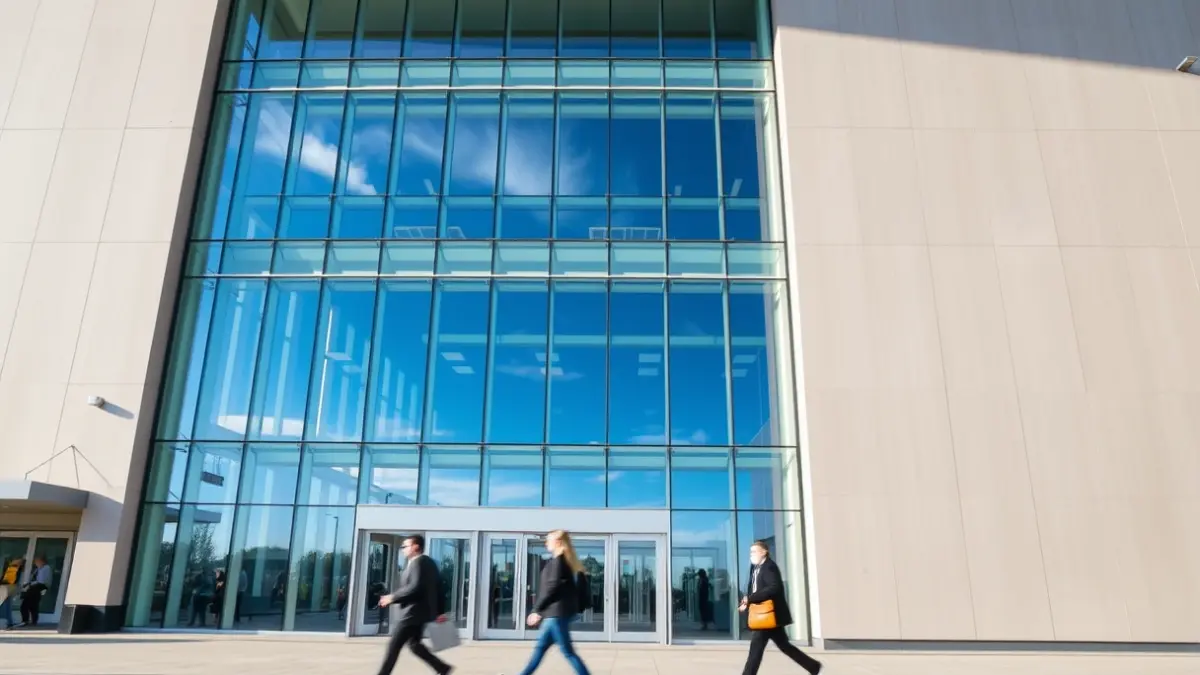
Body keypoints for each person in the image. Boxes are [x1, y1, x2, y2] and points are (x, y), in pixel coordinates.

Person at [511, 530, 591, 675]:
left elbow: (551, 588)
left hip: (555, 617)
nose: (546, 542)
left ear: (558, 543)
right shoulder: (566, 563)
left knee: (567, 653)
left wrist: (536, 610)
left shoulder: (559, 562)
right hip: (555, 616)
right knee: (541, 650)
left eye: (549, 540)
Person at [739, 541, 821, 675]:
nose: (751, 555)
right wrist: (747, 602)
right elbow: (755, 590)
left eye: (754, 551)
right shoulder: (755, 569)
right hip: (766, 616)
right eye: (751, 552)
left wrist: (751, 599)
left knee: (756, 650)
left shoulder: (769, 567)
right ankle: (813, 666)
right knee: (784, 646)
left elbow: (774, 588)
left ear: (764, 552)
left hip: (769, 614)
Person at [376, 534, 453, 675]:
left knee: (394, 646)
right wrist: (440, 611)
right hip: (420, 614)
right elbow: (439, 588)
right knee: (414, 645)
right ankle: (442, 668)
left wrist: (392, 597)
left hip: (412, 614)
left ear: (415, 547)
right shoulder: (428, 563)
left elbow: (415, 588)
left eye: (405, 546)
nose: (402, 549)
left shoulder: (419, 562)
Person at [19, 556, 52, 627]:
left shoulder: (45, 568)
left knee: (25, 605)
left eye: (37, 561)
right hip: (36, 587)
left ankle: (26, 621)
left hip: (38, 587)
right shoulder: (38, 569)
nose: (35, 563)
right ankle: (33, 621)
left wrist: (30, 584)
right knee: (33, 605)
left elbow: (41, 581)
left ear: (42, 561)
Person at [1, 556, 23, 630]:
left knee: (7, 606)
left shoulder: (13, 569)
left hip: (7, 588)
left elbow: (9, 580)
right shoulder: (12, 568)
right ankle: (10, 623)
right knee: (8, 606)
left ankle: (10, 623)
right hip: (8, 588)